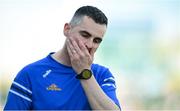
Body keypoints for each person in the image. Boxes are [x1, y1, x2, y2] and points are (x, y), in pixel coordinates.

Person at [4, 5, 121, 110]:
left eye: (96, 41)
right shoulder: (30, 74)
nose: (89, 45)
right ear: (67, 29)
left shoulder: (102, 75)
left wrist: (84, 72)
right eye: (85, 35)